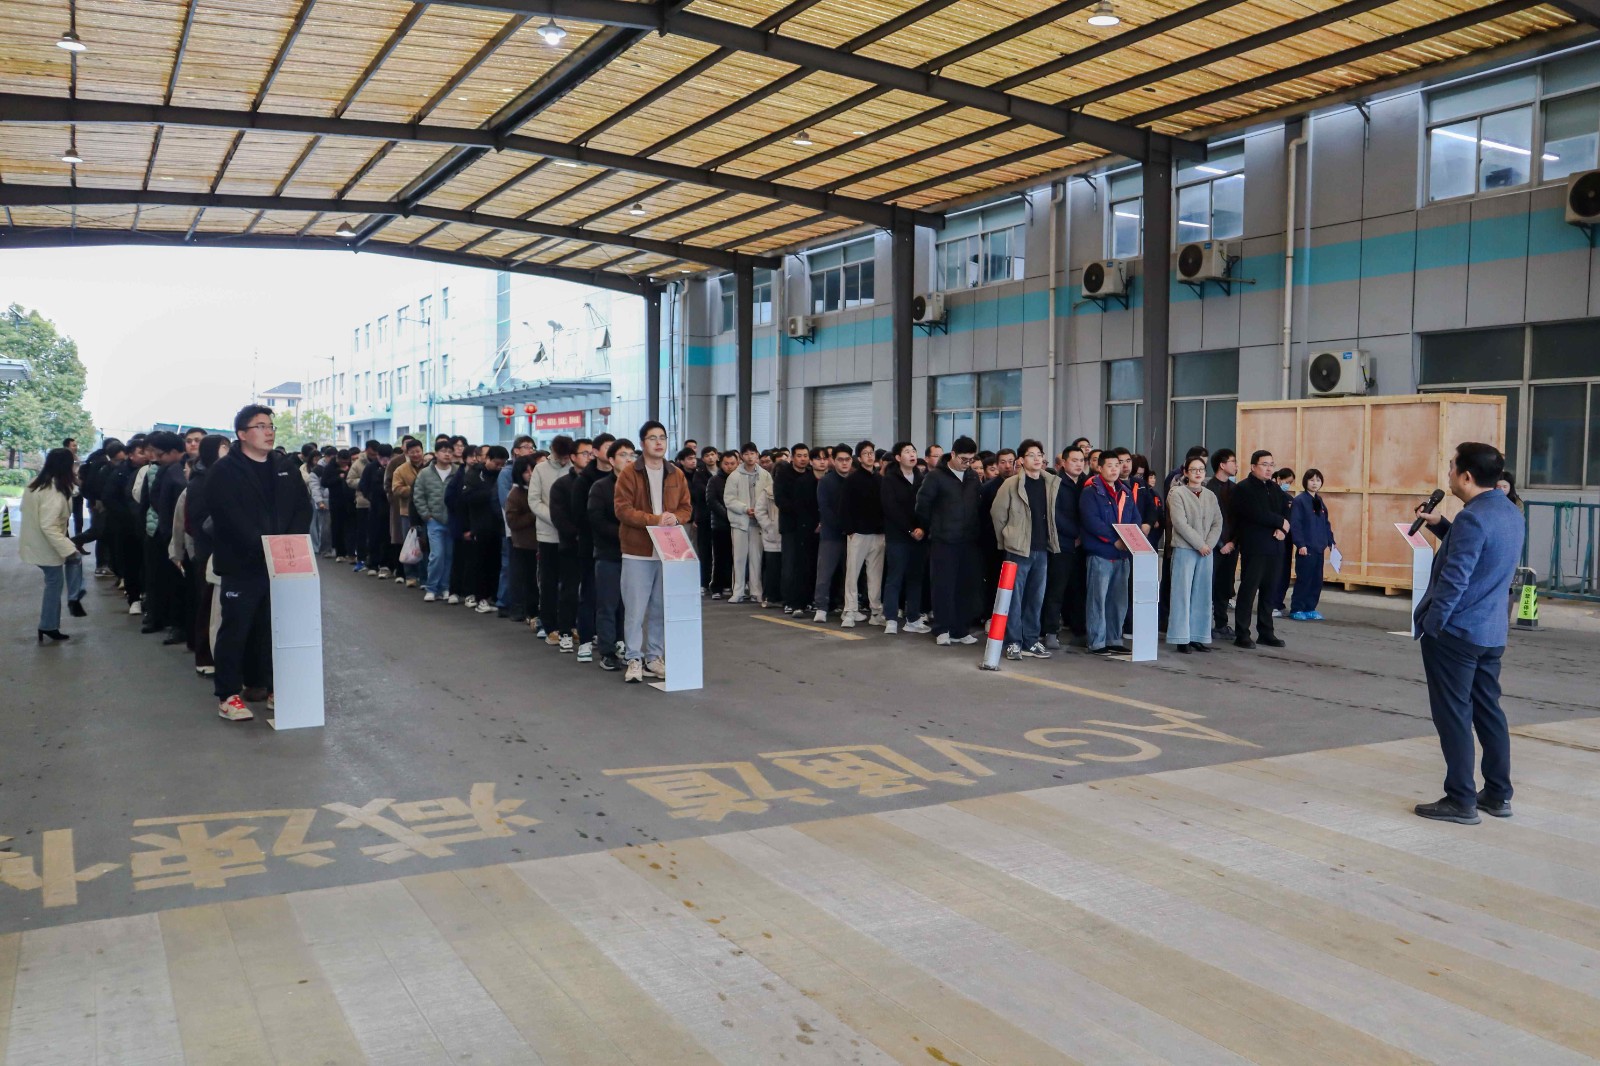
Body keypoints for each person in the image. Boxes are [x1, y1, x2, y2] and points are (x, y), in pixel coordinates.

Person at [1412, 442, 1525, 825]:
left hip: (1457, 632)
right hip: (1491, 632)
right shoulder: (1509, 512)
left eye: (1451, 467)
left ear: (1466, 476)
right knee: (1489, 711)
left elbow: (1456, 579)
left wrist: (1434, 624)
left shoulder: (1473, 518)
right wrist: (1441, 525)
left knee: (1454, 715)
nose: (1448, 474)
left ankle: (1461, 799)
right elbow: (1482, 553)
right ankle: (1497, 793)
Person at [206, 405, 312, 722]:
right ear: (242, 433)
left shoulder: (284, 466)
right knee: (236, 629)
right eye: (261, 426)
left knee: (275, 628)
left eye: (271, 426)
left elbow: (302, 508)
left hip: (281, 563)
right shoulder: (225, 471)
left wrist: (287, 544)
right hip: (242, 564)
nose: (269, 432)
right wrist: (261, 545)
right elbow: (228, 516)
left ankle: (273, 688)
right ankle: (227, 695)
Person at [614, 421, 692, 684]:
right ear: (642, 443)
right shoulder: (629, 473)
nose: (659, 443)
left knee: (661, 607)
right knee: (635, 609)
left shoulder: (676, 474)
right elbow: (623, 510)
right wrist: (654, 520)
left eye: (663, 438)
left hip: (668, 550)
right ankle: (634, 658)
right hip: (637, 550)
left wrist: (675, 518)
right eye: (652, 438)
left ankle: (654, 657)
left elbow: (686, 508)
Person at [991, 438, 1057, 660]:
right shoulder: (1011, 484)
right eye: (1031, 455)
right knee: (1015, 598)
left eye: (1040, 455)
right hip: (1018, 549)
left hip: (1041, 548)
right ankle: (1013, 642)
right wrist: (1008, 538)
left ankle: (1031, 640)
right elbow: (998, 514)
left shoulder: (1049, 482)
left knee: (1036, 598)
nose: (1037, 459)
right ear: (1020, 460)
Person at [915, 436, 982, 646]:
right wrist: (933, 527)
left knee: (965, 586)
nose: (967, 463)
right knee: (943, 586)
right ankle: (942, 628)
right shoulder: (936, 477)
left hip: (968, 540)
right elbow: (922, 505)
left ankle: (961, 630)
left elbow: (978, 506)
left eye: (971, 460)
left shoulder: (972, 477)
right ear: (952, 454)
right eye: (963, 459)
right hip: (943, 540)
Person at [21, 447, 86, 642]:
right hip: (46, 543)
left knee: (61, 574)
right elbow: (48, 525)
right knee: (57, 579)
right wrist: (68, 548)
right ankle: (50, 623)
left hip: (36, 541)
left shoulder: (37, 483)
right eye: (74, 464)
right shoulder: (52, 491)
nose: (75, 468)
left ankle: (70, 602)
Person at [1231, 450, 1290, 650]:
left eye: (1271, 465)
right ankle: (1242, 634)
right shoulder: (1243, 488)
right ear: (1253, 466)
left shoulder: (1275, 488)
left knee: (1269, 592)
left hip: (1275, 546)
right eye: (1264, 464)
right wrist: (1280, 522)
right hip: (1255, 546)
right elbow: (1256, 513)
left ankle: (1266, 632)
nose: (1269, 469)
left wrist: (1283, 529)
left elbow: (1287, 509)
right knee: (1248, 591)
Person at [1166, 455, 1222, 653]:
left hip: (1206, 551)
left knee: (1202, 594)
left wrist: (1209, 544)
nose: (1198, 473)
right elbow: (1180, 523)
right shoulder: (1177, 493)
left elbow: (1217, 522)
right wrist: (1199, 544)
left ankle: (1198, 636)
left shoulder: (1210, 495)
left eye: (1201, 469)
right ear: (1185, 472)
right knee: (1182, 594)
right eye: (1193, 469)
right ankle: (1181, 637)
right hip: (1185, 549)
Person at [1079, 449, 1132, 654]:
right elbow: (1092, 521)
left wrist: (1130, 540)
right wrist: (1114, 540)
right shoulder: (1090, 492)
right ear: (1099, 468)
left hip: (1122, 554)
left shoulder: (1125, 491)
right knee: (1098, 600)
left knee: (1118, 601)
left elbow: (1134, 518)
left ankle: (1114, 639)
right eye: (1110, 466)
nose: (1114, 469)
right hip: (1100, 553)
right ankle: (1097, 641)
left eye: (1117, 465)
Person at [589, 439, 632, 671]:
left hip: (634, 555)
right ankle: (607, 651)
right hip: (608, 554)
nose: (628, 459)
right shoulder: (601, 487)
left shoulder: (639, 486)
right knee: (607, 604)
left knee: (630, 606)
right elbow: (596, 520)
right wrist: (625, 534)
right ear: (612, 460)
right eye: (623, 455)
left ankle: (625, 645)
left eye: (631, 455)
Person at [531, 434, 575, 643]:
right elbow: (534, 501)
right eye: (561, 457)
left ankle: (569, 624)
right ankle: (549, 625)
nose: (564, 461)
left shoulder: (575, 469)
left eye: (567, 457)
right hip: (548, 534)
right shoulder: (540, 469)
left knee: (570, 583)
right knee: (548, 582)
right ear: (552, 452)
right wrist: (556, 519)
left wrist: (570, 524)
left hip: (572, 535)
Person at [879, 441, 927, 635]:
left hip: (919, 536)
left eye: (913, 451)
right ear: (898, 457)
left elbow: (926, 506)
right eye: (907, 452)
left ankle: (913, 618)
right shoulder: (890, 480)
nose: (912, 454)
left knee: (915, 578)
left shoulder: (922, 478)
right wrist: (909, 529)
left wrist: (922, 528)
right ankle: (891, 618)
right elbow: (890, 508)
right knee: (895, 577)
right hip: (898, 536)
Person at [840, 440, 885, 628]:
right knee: (852, 574)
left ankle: (876, 611)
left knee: (875, 575)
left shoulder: (880, 479)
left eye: (872, 452)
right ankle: (850, 611)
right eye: (866, 453)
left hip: (879, 534)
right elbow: (845, 507)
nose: (870, 456)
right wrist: (850, 530)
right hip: (858, 533)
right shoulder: (852, 479)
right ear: (859, 458)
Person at [722, 442, 772, 605]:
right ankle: (738, 591)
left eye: (753, 453)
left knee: (756, 558)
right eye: (746, 454)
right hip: (740, 522)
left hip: (758, 523)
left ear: (757, 455)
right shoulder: (734, 476)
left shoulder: (765, 475)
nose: (750, 457)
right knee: (739, 558)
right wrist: (745, 509)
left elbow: (770, 496)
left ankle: (756, 591)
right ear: (741, 457)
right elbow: (729, 500)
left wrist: (760, 512)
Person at [773, 443, 818, 616]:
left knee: (807, 564)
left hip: (809, 527)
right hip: (790, 526)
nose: (803, 459)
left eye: (805, 456)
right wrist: (800, 509)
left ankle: (806, 600)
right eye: (799, 456)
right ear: (792, 457)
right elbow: (780, 500)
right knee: (790, 565)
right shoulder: (783, 475)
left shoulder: (810, 475)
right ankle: (789, 601)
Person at [411, 437, 455, 603]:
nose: (447, 454)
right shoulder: (425, 473)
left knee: (449, 556)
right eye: (443, 451)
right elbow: (418, 496)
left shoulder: (457, 472)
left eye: (450, 452)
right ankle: (431, 587)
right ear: (436, 453)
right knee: (436, 555)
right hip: (434, 520)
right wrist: (426, 515)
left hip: (452, 520)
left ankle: (445, 587)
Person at [812, 444, 852, 622]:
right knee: (825, 574)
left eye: (847, 459)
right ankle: (821, 607)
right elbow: (825, 508)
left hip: (852, 535)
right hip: (831, 534)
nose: (844, 463)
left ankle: (848, 607)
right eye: (840, 459)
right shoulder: (826, 482)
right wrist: (841, 526)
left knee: (850, 575)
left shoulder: (854, 480)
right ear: (833, 461)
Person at [1289, 468, 1335, 621]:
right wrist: (1300, 544)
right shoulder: (1299, 501)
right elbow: (1295, 524)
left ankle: (1310, 608)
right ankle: (1297, 608)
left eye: (1318, 480)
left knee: (1316, 580)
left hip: (1319, 548)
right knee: (1304, 579)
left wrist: (1331, 541)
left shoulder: (1319, 501)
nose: (1315, 483)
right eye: (1312, 480)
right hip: (1306, 548)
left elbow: (1325, 524)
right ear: (1305, 482)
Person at [505, 455, 542, 635]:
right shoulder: (515, 494)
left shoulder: (540, 489)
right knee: (527, 580)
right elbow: (513, 522)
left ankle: (537, 611)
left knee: (539, 579)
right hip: (524, 543)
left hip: (541, 541)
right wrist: (534, 513)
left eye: (532, 469)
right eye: (526, 471)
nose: (530, 474)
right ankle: (529, 612)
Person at [1207, 449, 1239, 638]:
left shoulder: (1236, 489)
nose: (1236, 465)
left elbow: (1239, 519)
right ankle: (1204, 625)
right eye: (1233, 461)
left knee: (1226, 585)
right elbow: (1208, 520)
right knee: (1209, 585)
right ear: (1222, 464)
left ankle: (1221, 623)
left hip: (1232, 544)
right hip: (1213, 546)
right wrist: (1220, 544)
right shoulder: (1209, 489)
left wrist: (1233, 542)